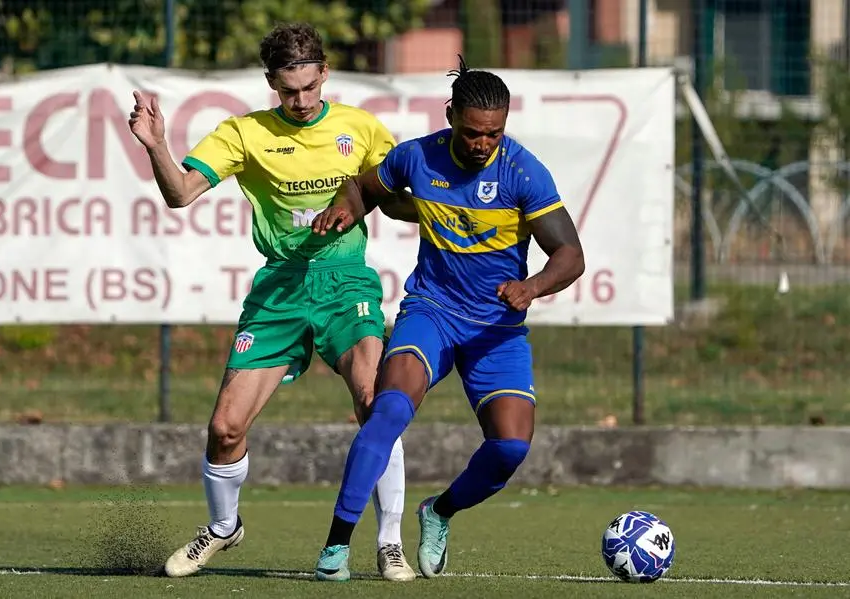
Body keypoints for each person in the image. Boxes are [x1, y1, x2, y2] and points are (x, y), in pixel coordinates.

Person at [127, 22, 418, 582]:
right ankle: (222, 528)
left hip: (345, 284)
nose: (302, 101)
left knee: (373, 399)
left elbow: (396, 199)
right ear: (271, 84)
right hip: (280, 289)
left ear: (324, 73)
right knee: (225, 428)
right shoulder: (243, 134)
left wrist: (434, 206)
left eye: (310, 87)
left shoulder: (361, 129)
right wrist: (157, 145)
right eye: (289, 91)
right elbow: (180, 194)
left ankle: (388, 542)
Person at [310, 56, 585, 582]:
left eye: (495, 134)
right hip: (432, 312)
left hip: (496, 329)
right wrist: (349, 207)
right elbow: (366, 189)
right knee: (386, 411)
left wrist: (531, 287)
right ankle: (335, 548)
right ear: (452, 115)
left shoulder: (522, 171)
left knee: (509, 447)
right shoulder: (417, 157)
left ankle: (438, 512)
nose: (485, 144)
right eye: (475, 133)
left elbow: (570, 255)